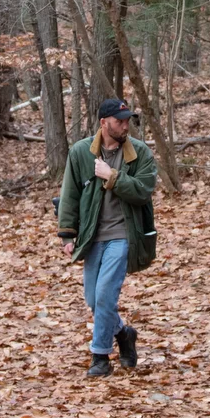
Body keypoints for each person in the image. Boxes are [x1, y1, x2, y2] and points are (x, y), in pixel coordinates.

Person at [56, 98, 159, 377]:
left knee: (104, 295)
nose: (125, 125)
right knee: (92, 298)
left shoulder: (138, 153)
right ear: (103, 123)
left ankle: (100, 357)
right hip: (93, 236)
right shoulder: (80, 152)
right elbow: (70, 195)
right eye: (119, 121)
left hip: (124, 234)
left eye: (127, 120)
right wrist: (67, 234)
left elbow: (143, 190)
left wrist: (112, 176)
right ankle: (124, 334)